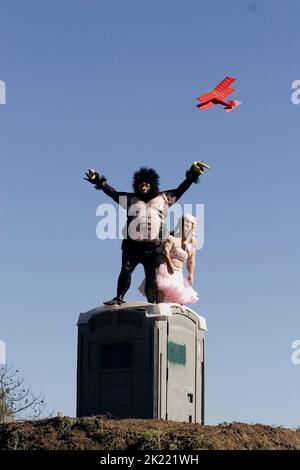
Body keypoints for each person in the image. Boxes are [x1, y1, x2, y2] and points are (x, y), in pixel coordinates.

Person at [85, 162, 208, 305]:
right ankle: (119, 297)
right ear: (136, 185)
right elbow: (113, 193)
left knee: (152, 276)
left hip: (154, 247)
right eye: (140, 184)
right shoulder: (130, 199)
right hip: (132, 245)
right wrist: (98, 181)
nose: (143, 187)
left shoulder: (165, 198)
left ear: (152, 185)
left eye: (146, 184)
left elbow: (181, 189)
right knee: (125, 270)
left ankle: (152, 303)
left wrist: (193, 174)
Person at [139, 214, 199, 304]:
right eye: (184, 224)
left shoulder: (190, 247)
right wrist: (169, 264)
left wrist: (191, 274)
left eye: (188, 225)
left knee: (181, 294)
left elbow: (191, 261)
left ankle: (176, 313)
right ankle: (159, 307)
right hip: (166, 268)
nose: (186, 227)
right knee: (163, 288)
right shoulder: (172, 238)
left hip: (178, 272)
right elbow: (166, 250)